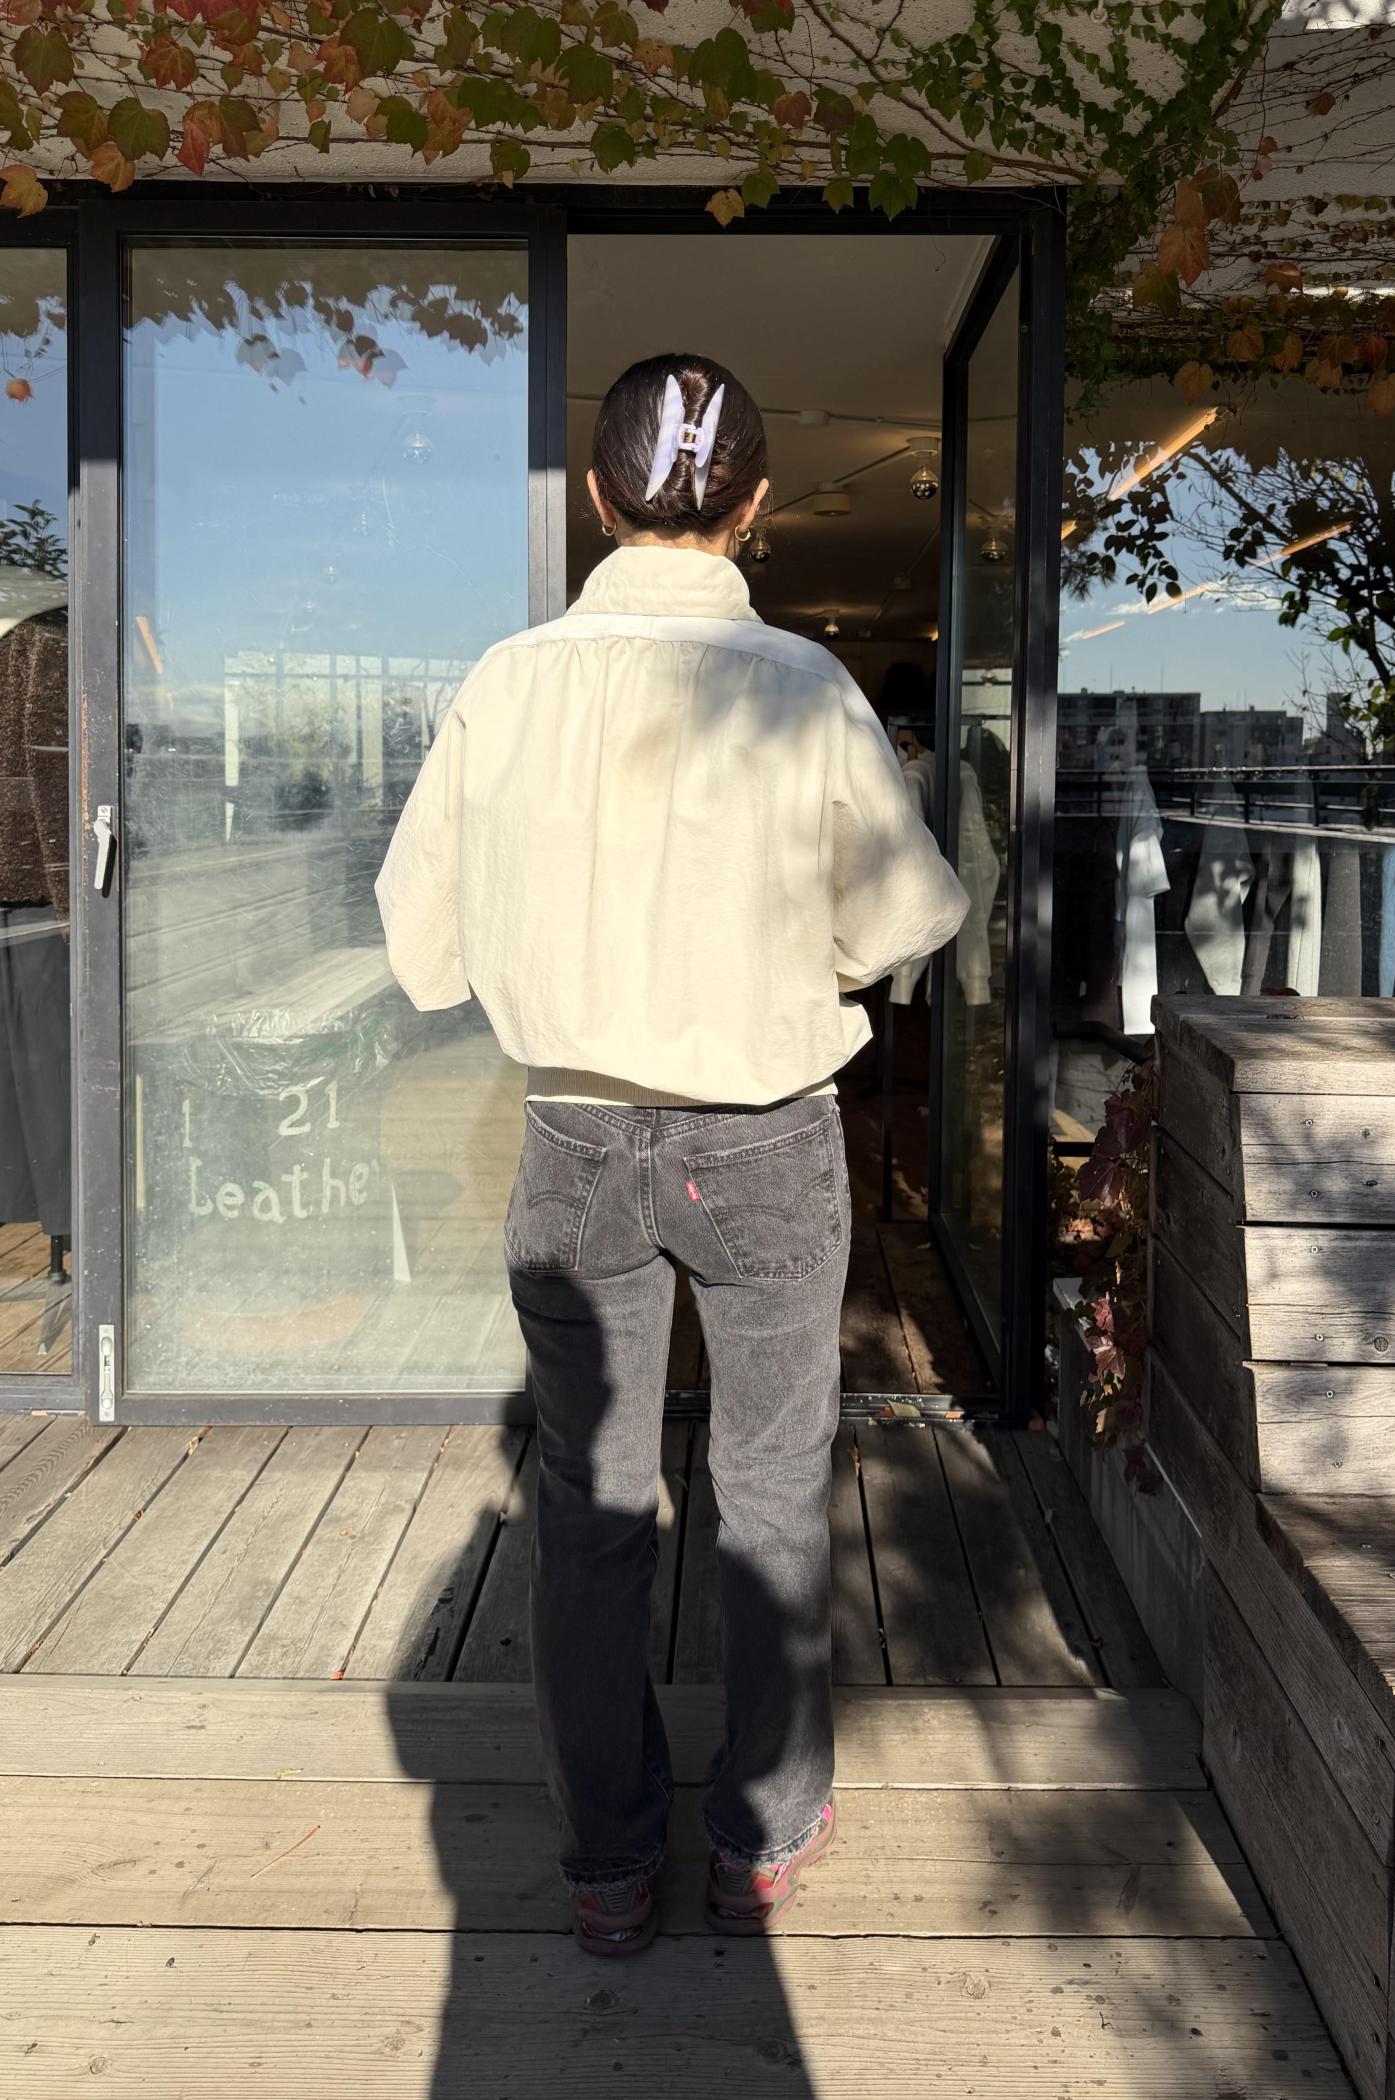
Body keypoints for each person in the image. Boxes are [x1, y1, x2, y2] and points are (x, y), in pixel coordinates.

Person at [375, 352, 970, 1957]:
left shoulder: (508, 684)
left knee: (586, 1509)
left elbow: (419, 944)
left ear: (596, 497)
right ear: (756, 505)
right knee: (771, 1493)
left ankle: (607, 1860)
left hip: (571, 1133)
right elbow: (906, 918)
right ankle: (758, 1842)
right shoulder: (803, 687)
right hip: (765, 1138)